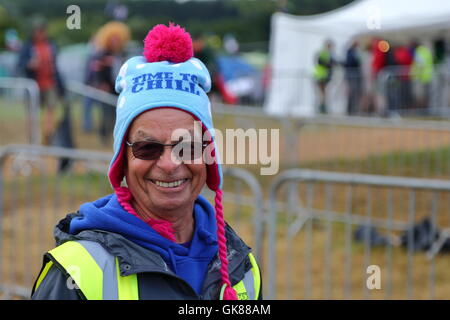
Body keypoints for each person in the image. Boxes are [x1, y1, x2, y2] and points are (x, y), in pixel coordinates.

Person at [31, 23, 262, 300]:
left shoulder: (241, 268)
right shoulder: (75, 273)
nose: (168, 163)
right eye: (147, 147)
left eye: (186, 146)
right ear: (122, 161)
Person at [17, 19, 65, 145]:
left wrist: (60, 85)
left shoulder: (51, 45)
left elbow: (55, 66)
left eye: (42, 30)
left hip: (50, 83)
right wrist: (29, 64)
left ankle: (48, 136)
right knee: (32, 113)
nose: (41, 33)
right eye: (38, 31)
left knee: (51, 111)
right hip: (33, 85)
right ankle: (32, 138)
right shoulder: (27, 46)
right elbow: (20, 64)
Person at [90, 21, 130, 144]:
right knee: (105, 114)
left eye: (117, 39)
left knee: (118, 114)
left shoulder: (123, 54)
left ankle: (117, 136)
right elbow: (97, 71)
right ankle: (104, 137)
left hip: (119, 89)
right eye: (113, 39)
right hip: (106, 88)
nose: (115, 41)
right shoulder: (102, 54)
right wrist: (101, 84)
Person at [313, 40, 335, 114]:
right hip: (321, 76)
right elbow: (322, 63)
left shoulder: (327, 54)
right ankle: (321, 108)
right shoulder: (324, 53)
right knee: (322, 93)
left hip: (323, 76)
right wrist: (329, 65)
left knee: (324, 93)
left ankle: (322, 107)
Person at [344, 40, 362, 115]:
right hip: (351, 75)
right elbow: (351, 63)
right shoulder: (351, 53)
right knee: (352, 92)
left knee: (355, 93)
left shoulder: (353, 53)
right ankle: (350, 110)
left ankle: (353, 109)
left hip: (353, 75)